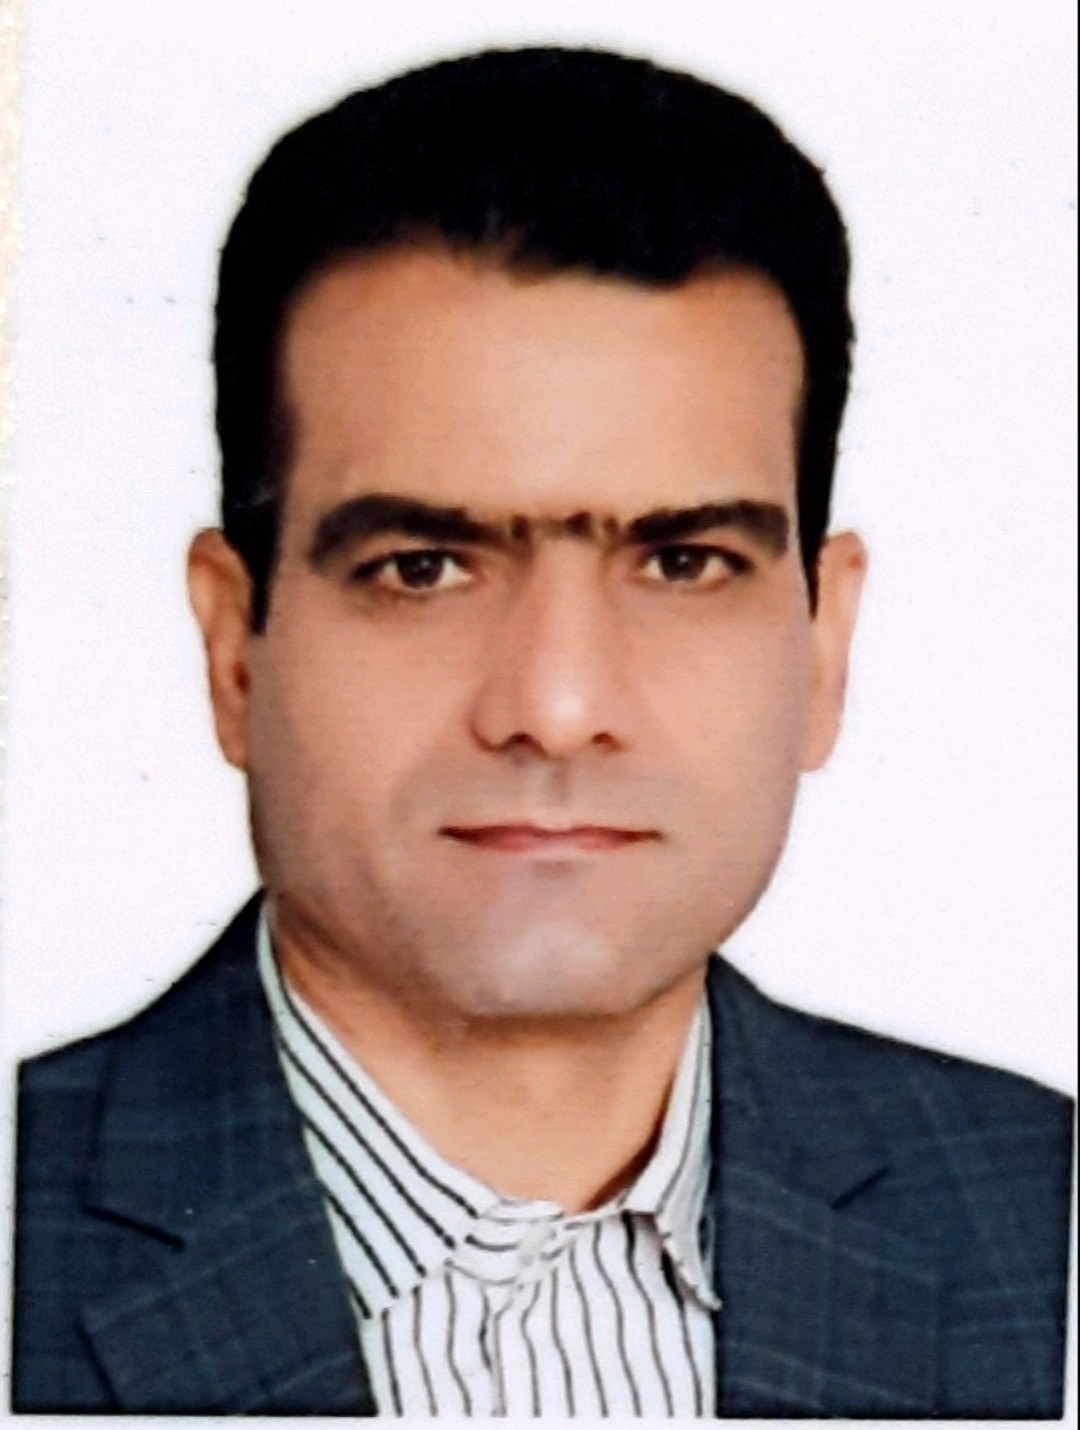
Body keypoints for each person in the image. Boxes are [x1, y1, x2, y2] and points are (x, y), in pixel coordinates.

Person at [11, 46, 1072, 1417]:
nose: (558, 708)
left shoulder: (1041, 1219)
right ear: (234, 648)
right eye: (421, 567)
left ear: (823, 645)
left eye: (683, 562)